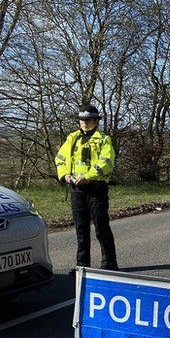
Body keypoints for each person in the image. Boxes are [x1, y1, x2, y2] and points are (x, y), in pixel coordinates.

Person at [55, 103, 119, 271]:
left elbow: (106, 162)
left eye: (88, 120)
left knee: (101, 227)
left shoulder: (104, 139)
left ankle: (109, 264)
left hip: (96, 188)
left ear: (95, 121)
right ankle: (82, 266)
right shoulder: (72, 138)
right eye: (82, 120)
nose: (84, 123)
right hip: (76, 189)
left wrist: (88, 177)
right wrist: (65, 174)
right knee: (81, 229)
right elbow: (60, 158)